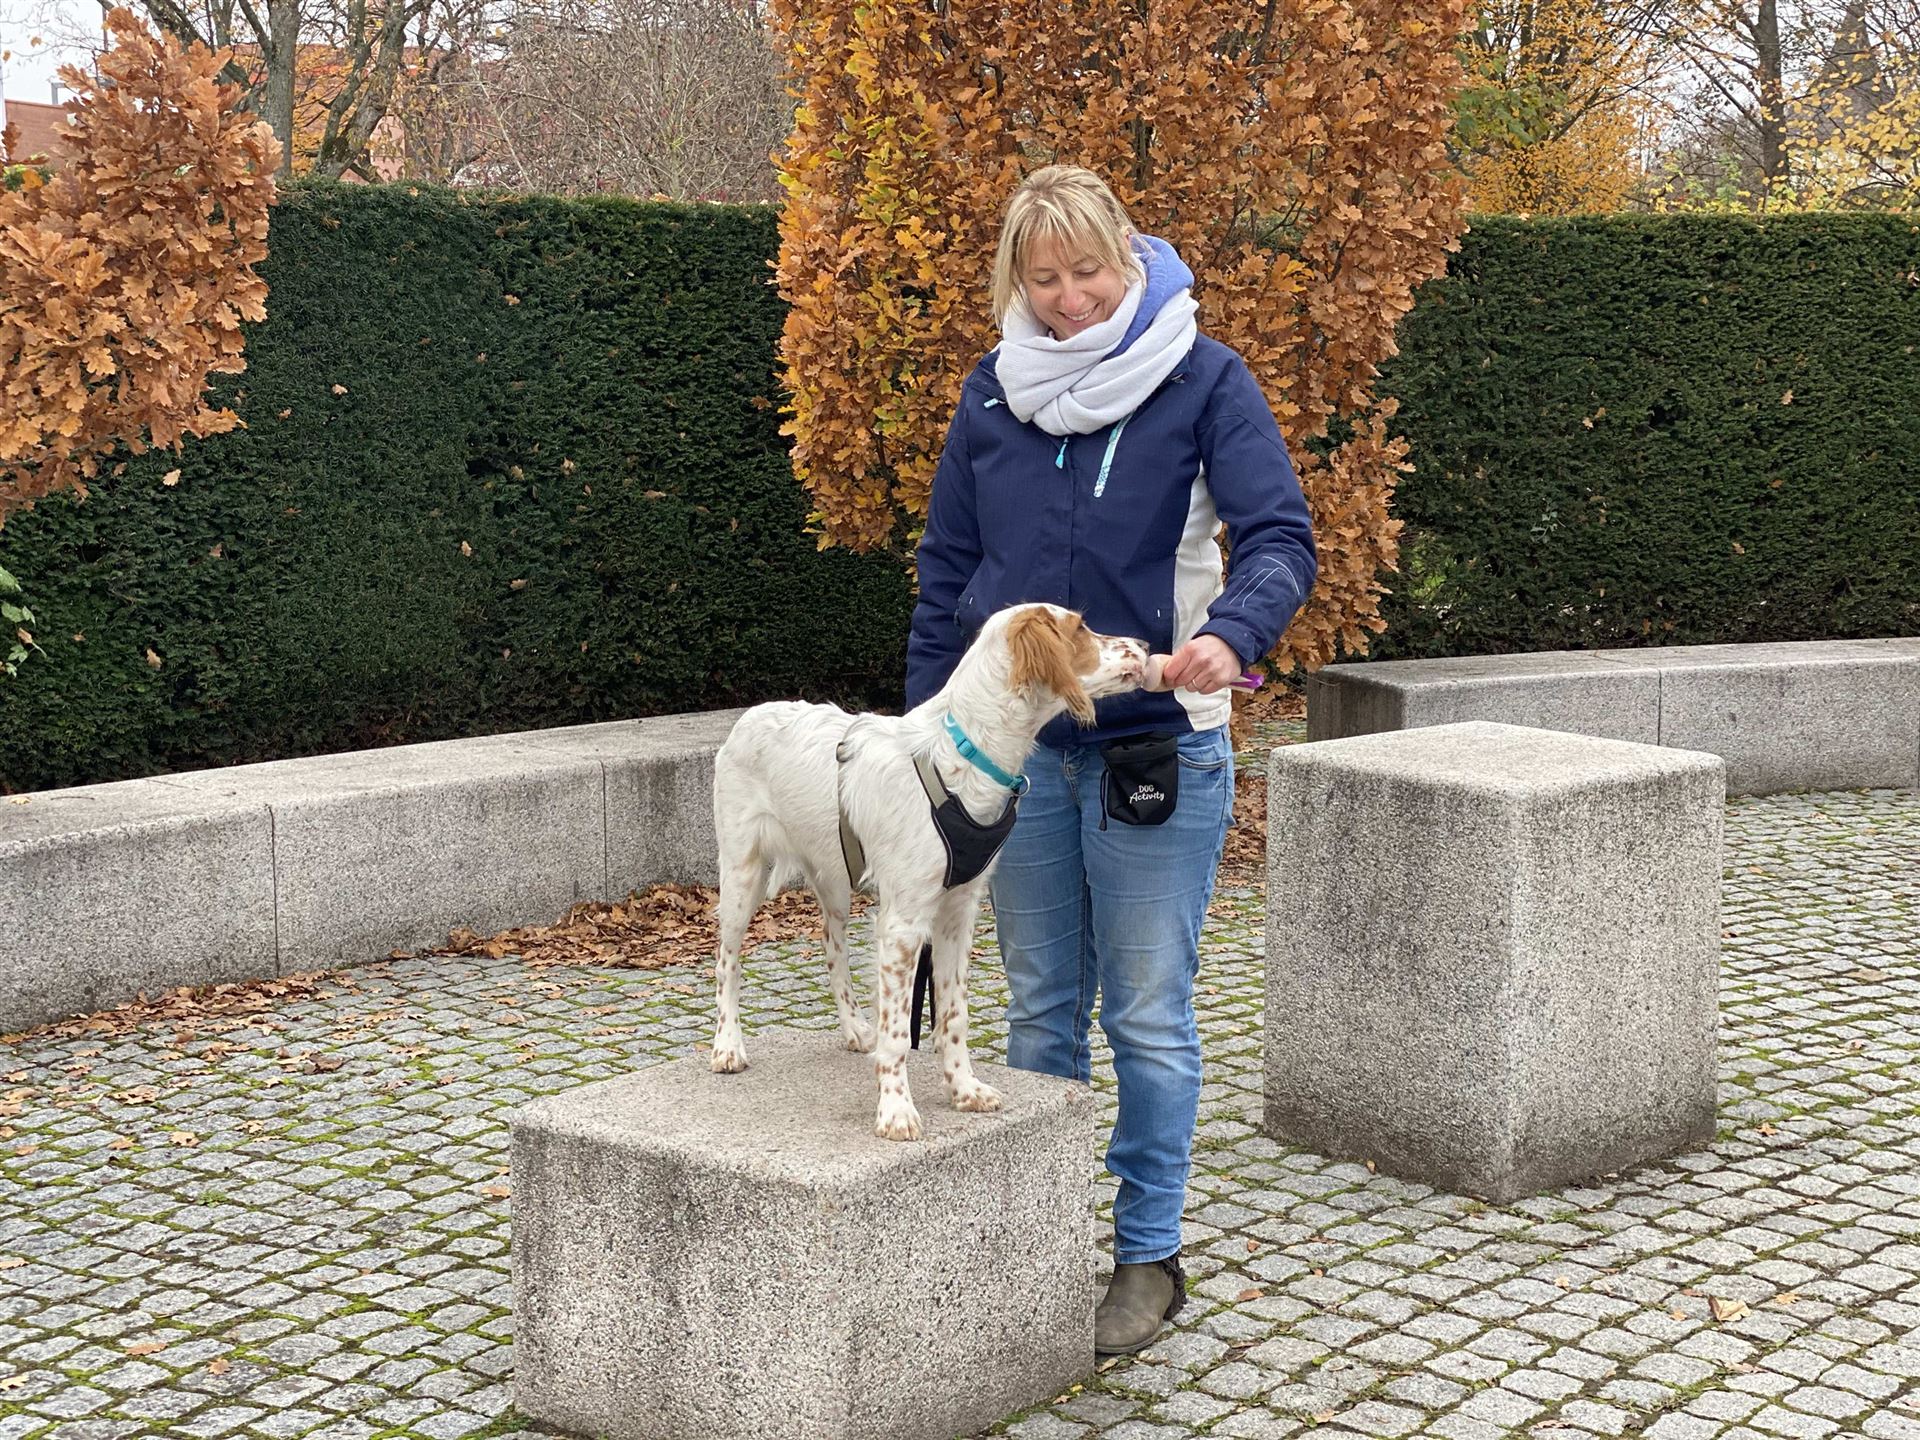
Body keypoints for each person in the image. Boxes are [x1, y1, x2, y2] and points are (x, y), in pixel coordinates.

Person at [905, 165, 1319, 1354]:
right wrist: (924, 752)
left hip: (1159, 749)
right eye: (1044, 279)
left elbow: (1280, 537)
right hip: (1019, 761)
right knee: (1038, 1011)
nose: (1070, 298)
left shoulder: (1204, 378)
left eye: (1088, 271)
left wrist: (1231, 635)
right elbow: (947, 579)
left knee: (1145, 1015)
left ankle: (1147, 1258)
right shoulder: (992, 395)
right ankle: (1037, 1242)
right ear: (1016, 282)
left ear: (1128, 263)